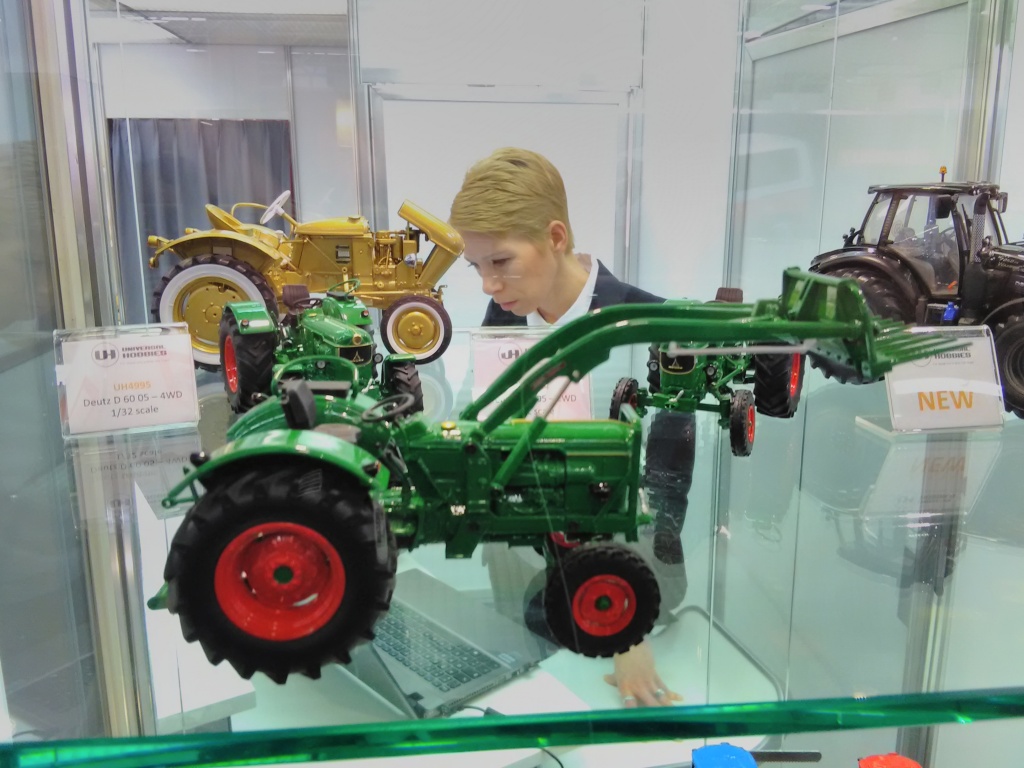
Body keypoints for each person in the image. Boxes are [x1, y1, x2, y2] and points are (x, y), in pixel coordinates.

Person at [449, 147, 696, 709]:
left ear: (555, 237)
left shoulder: (653, 327)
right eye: (477, 266)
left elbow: (664, 489)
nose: (488, 284)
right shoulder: (505, 315)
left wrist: (627, 625)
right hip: (522, 585)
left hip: (628, 595)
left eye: (500, 261)